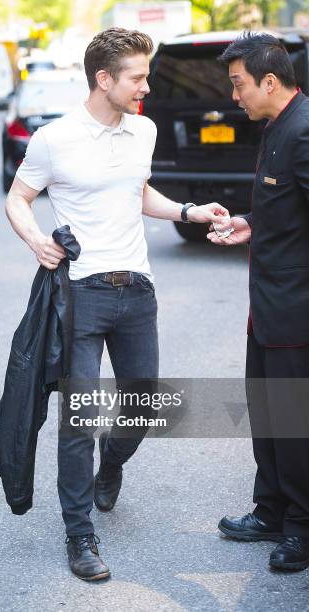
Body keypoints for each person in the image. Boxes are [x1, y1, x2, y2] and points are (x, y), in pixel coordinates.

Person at [6, 27, 228, 581]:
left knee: (143, 405)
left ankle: (112, 463)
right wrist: (36, 240)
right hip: (80, 292)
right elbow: (18, 196)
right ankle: (79, 533)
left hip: (138, 292)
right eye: (137, 77)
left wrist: (187, 212)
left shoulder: (144, 129)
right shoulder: (54, 139)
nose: (145, 87)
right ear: (104, 79)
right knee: (79, 419)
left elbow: (138, 190)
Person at [207, 32, 309, 571]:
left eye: (239, 84)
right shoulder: (275, 127)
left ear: (270, 81)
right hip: (265, 307)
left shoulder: (305, 129)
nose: (235, 96)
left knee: (294, 422)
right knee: (268, 415)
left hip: (296, 311)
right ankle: (270, 510)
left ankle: (300, 527)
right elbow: (288, 209)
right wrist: (250, 224)